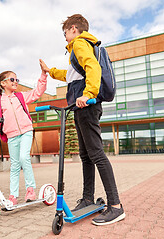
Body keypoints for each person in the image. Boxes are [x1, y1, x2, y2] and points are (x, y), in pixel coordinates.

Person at [40, 14, 125, 226]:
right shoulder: (76, 49)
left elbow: (93, 68)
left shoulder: (79, 43)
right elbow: (70, 75)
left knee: (96, 153)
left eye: (65, 32)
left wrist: (88, 94)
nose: (65, 36)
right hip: (80, 107)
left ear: (74, 29)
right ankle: (88, 198)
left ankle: (115, 206)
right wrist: (50, 71)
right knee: (86, 155)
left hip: (86, 105)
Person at [0, 60, 47, 205]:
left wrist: (43, 75)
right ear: (3, 84)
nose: (15, 82)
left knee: (24, 157)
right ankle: (13, 196)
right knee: (14, 165)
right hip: (11, 135)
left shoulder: (21, 96)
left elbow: (38, 92)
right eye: (12, 79)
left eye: (17, 79)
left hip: (26, 131)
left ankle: (30, 190)